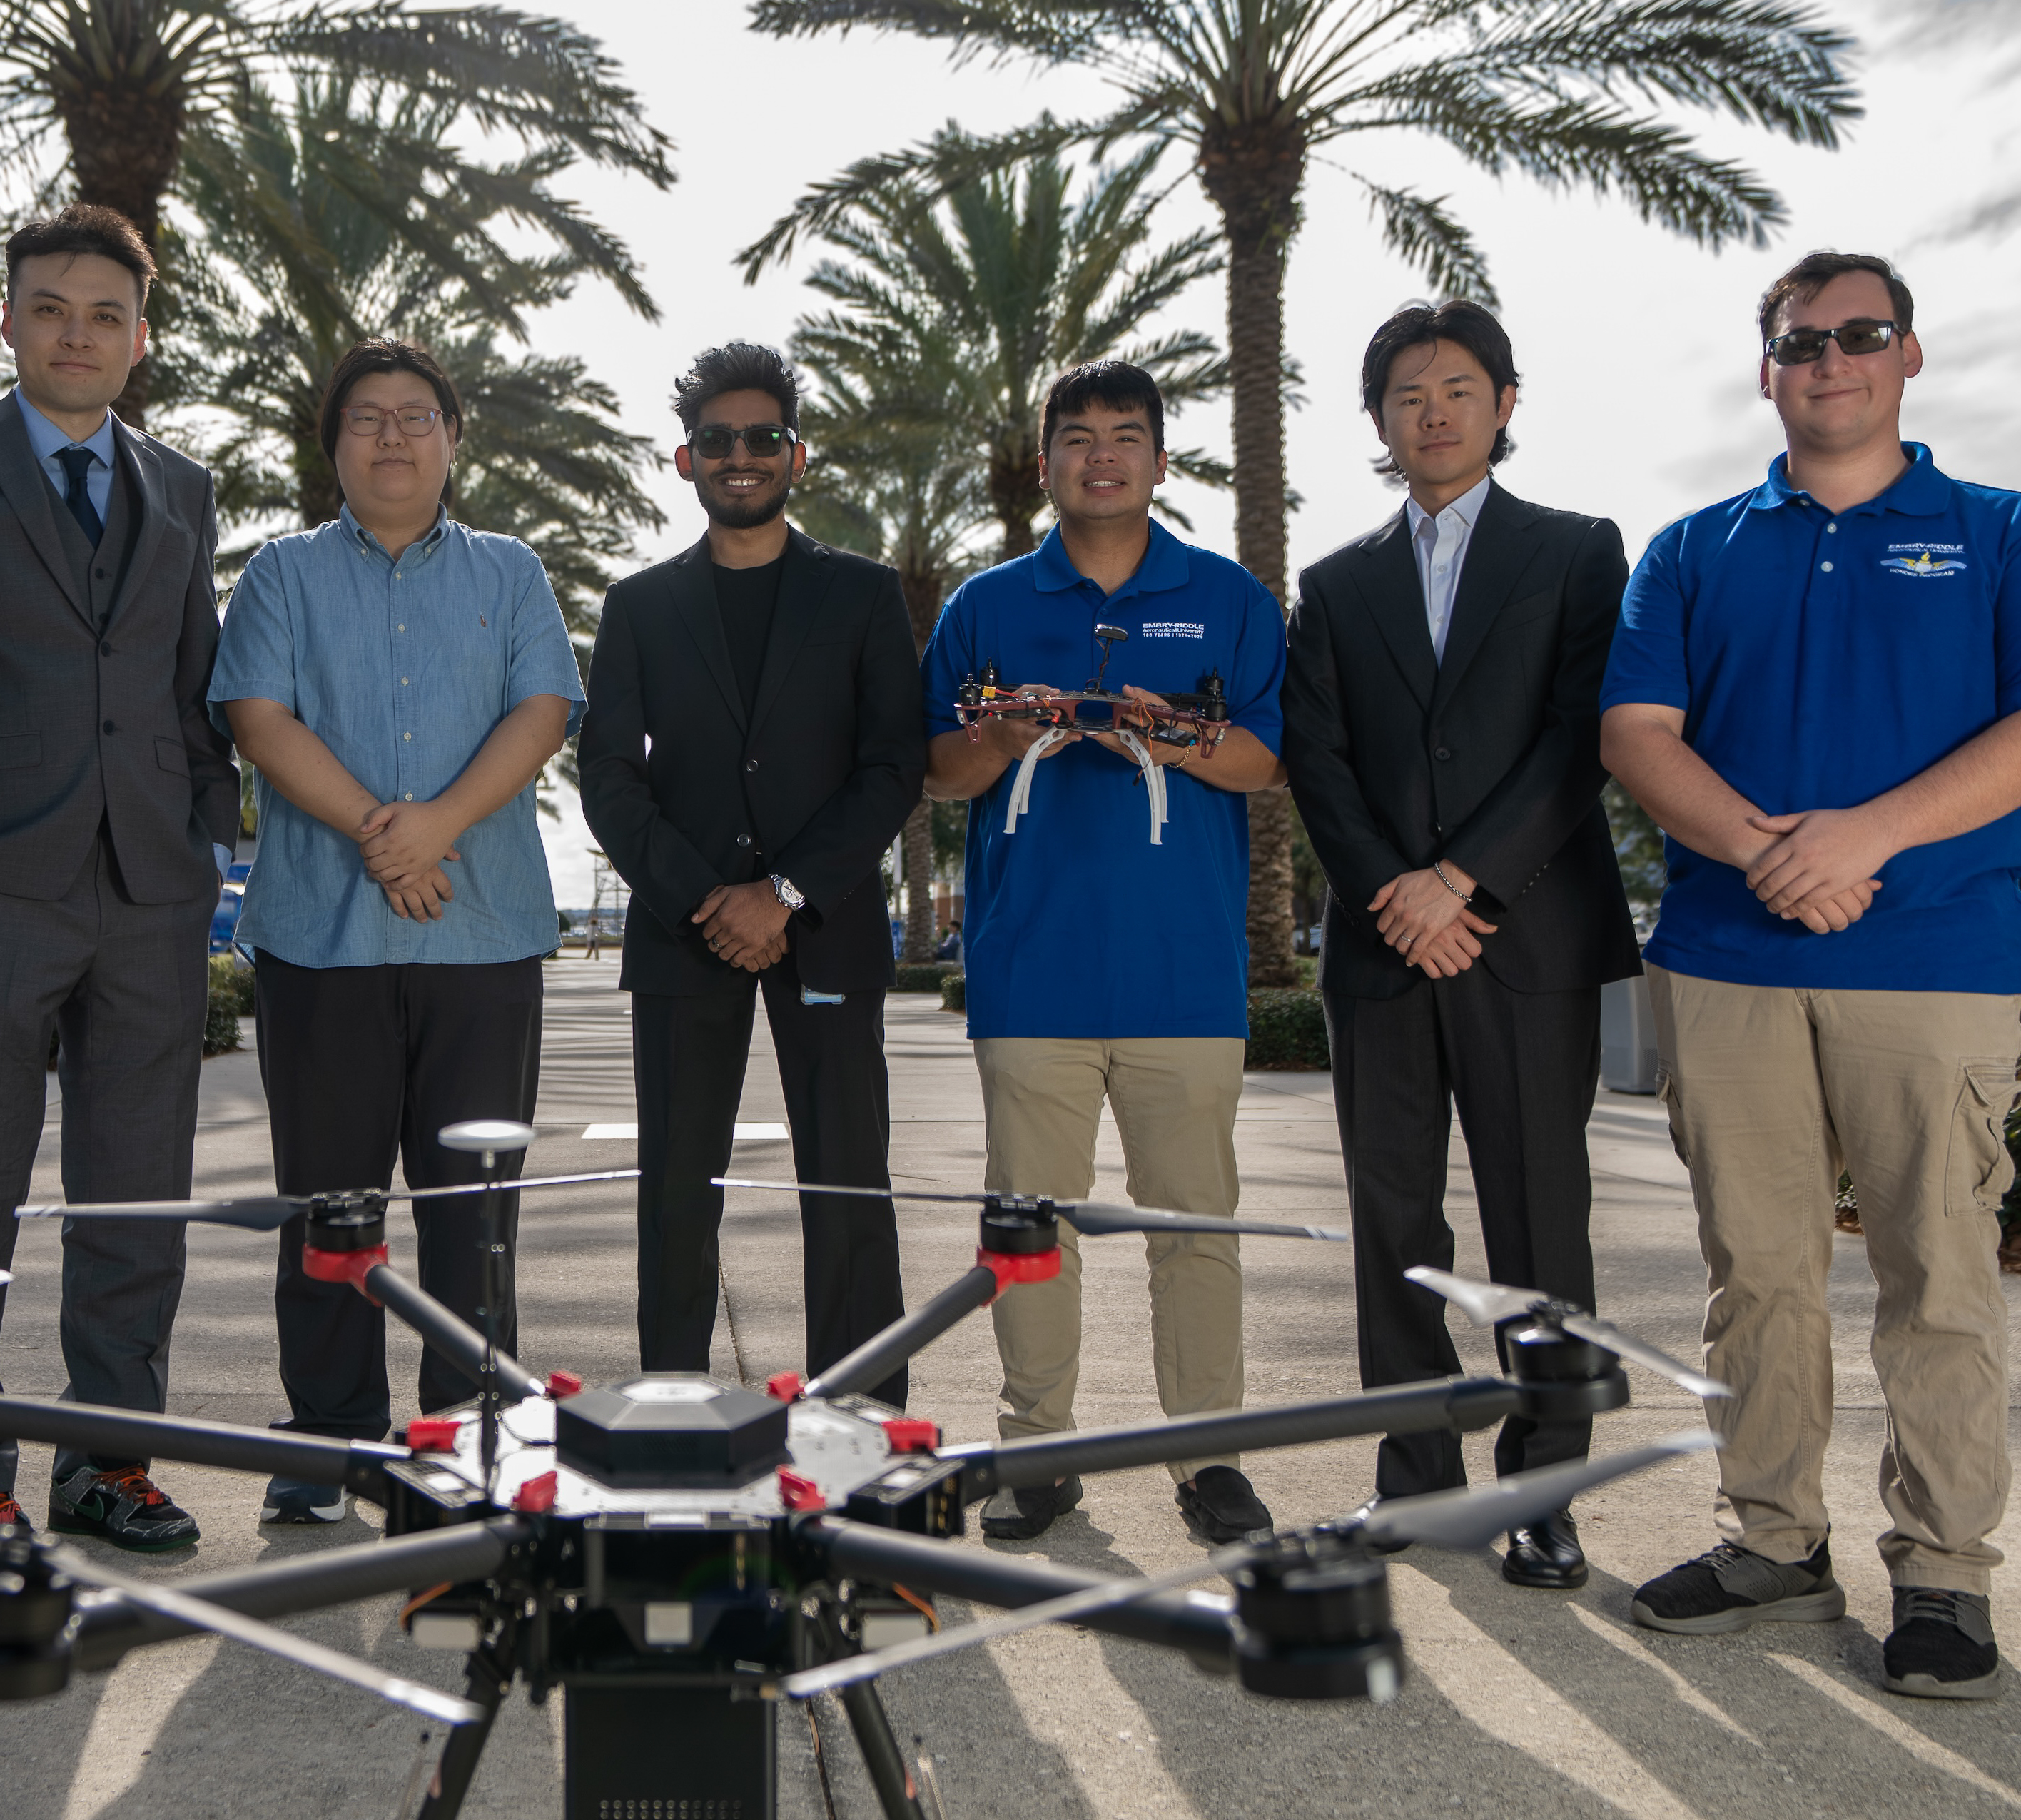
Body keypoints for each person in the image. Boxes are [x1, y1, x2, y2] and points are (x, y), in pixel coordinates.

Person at [1601, 252, 2021, 1698]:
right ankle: (1772, 1538)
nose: (1831, 360)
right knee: (1754, 1277)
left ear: (1908, 355)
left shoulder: (2007, 533)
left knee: (1938, 1274)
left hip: (1935, 959)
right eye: (1801, 340)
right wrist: (1776, 856)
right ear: (1767, 367)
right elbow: (1638, 733)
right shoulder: (1695, 548)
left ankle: (1945, 1574)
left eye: (1861, 335)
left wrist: (1863, 841)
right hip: (1726, 960)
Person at [0, 206, 243, 1548]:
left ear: (140, 337)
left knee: (135, 1192)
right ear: (10, 321)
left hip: (154, 888)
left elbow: (195, 681)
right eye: (50, 309)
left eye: (105, 314)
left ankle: (111, 1463)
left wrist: (208, 835)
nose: (76, 334)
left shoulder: (185, 488)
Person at [1280, 301, 1641, 1588]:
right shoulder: (1331, 586)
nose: (1432, 411)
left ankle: (1548, 1491)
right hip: (1385, 952)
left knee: (1542, 1217)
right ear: (1377, 420)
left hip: (1525, 938)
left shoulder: (1579, 552)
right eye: (1407, 394)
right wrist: (1398, 894)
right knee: (1395, 1220)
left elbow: (1580, 735)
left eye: (1458, 388)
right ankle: (1416, 1481)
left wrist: (1464, 882)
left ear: (1503, 403)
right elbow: (1317, 764)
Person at [209, 338, 586, 1523]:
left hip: (484, 940)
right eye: (365, 418)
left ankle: (468, 1448)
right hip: (321, 945)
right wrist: (389, 832)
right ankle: (328, 1441)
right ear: (331, 447)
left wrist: (438, 830)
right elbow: (257, 718)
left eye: (416, 416)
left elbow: (545, 710)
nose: (390, 436)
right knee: (329, 1206)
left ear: (453, 440)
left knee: (476, 1214)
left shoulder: (512, 570)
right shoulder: (279, 574)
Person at [920, 359, 1291, 1543]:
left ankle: (1206, 1459)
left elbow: (1266, 763)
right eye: (1077, 438)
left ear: (1160, 459)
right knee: (1034, 1236)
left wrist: (1174, 733)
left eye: (1125, 436)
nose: (1101, 456)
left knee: (1195, 1233)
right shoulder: (985, 603)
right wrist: (1006, 733)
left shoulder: (1229, 596)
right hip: (1033, 976)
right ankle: (1039, 1454)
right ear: (1048, 466)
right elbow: (938, 773)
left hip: (1186, 978)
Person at [578, 343, 926, 1402]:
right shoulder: (638, 604)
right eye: (719, 440)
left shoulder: (863, 595)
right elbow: (607, 777)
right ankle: (675, 1413)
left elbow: (892, 766)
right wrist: (703, 898)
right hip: (685, 935)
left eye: (762, 438)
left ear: (797, 456)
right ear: (685, 461)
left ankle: (864, 1419)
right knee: (677, 1192)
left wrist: (783, 892)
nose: (741, 456)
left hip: (823, 926)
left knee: (847, 1182)